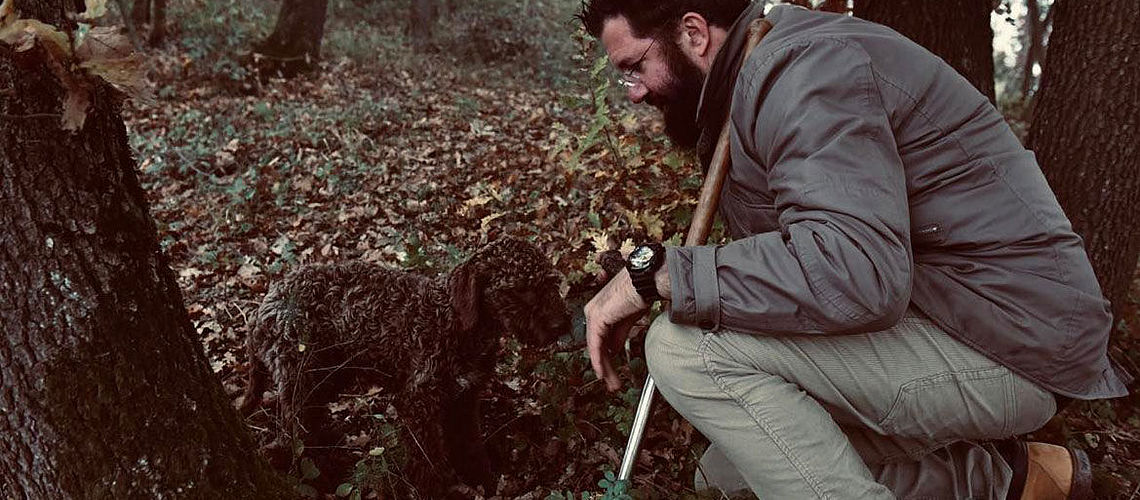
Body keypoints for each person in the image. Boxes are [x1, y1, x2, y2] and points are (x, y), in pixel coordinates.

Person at [578, 1, 1132, 499]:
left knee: (685, 349)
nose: (634, 91)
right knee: (732, 473)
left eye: (634, 66)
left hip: (1012, 337)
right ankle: (1012, 479)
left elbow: (857, 273)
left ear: (694, 33)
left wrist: (657, 276)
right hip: (953, 313)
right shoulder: (754, 79)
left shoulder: (805, 71)